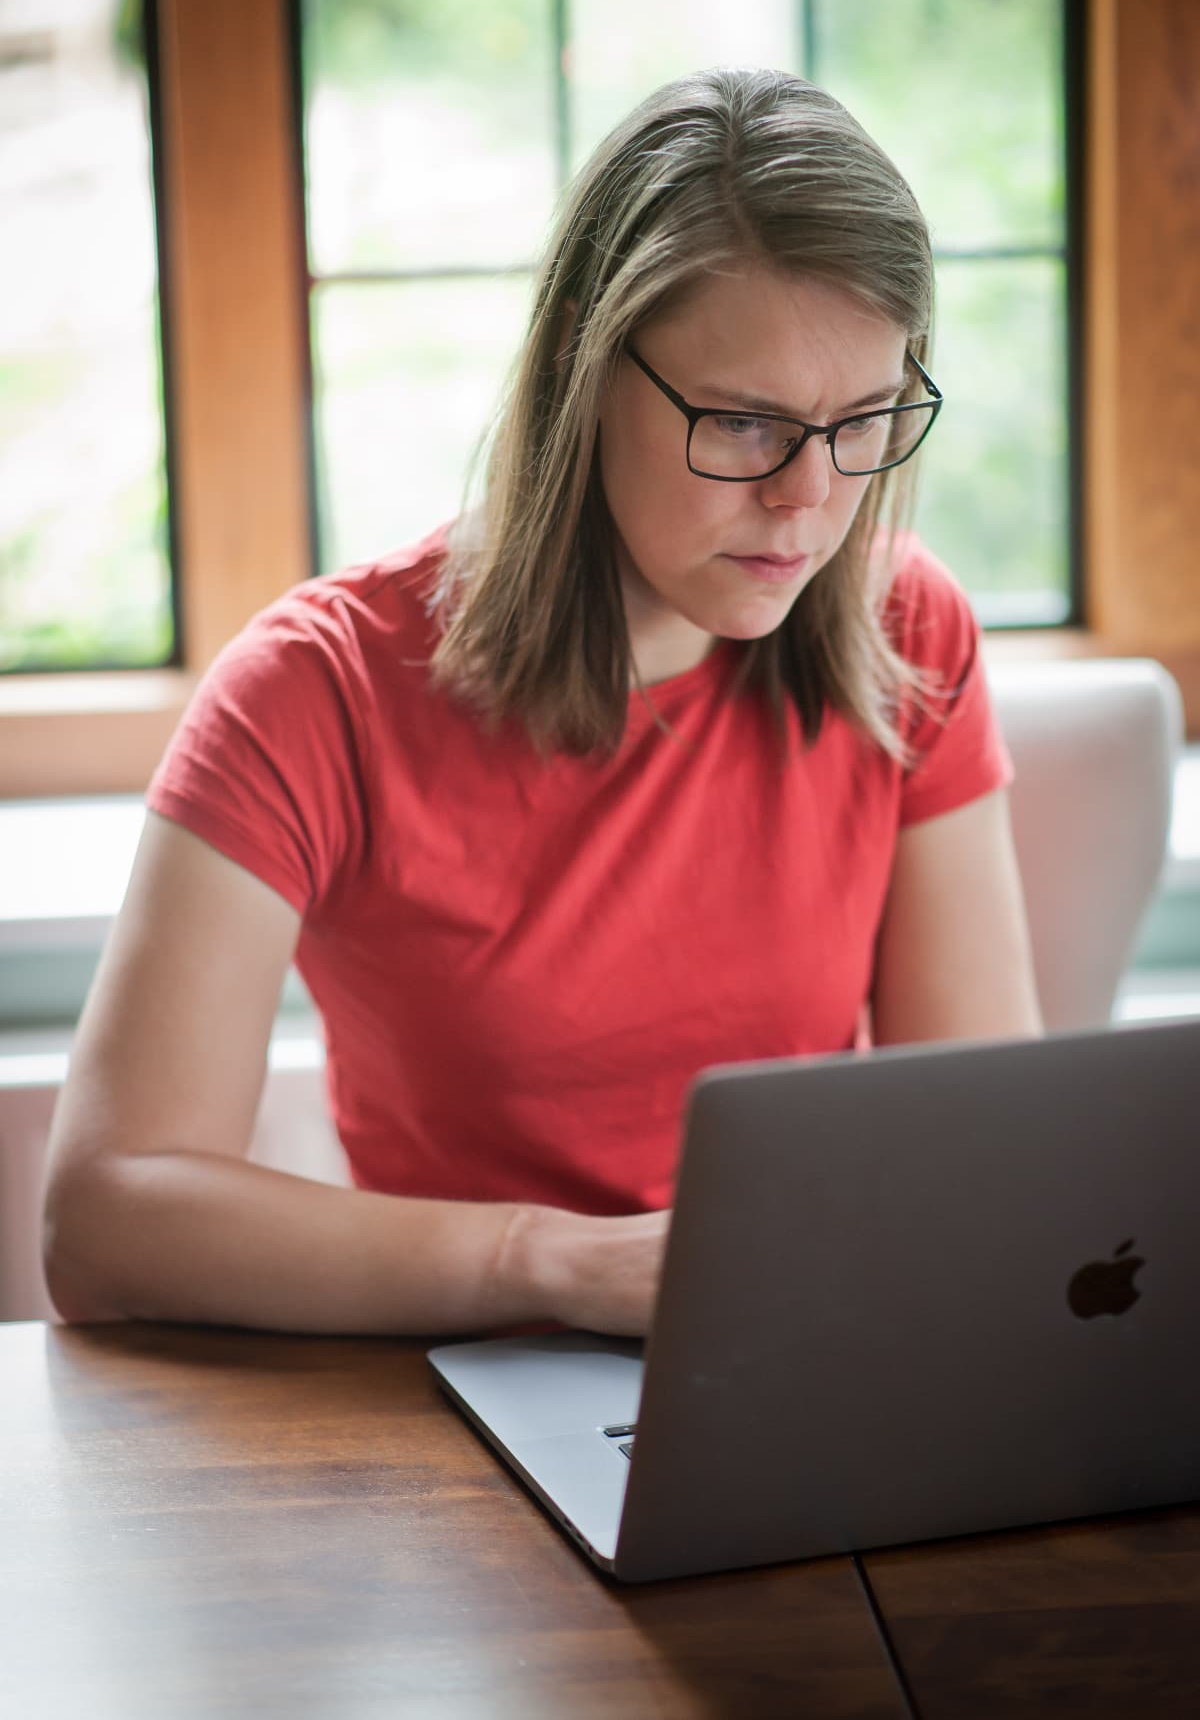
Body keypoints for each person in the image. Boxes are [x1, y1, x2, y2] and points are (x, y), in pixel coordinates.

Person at [42, 68, 1041, 1340]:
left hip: (803, 1349)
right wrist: (556, 1265)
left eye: (865, 421)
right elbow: (104, 1219)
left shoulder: (905, 625)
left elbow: (983, 1131)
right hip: (458, 1394)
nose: (809, 497)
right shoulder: (316, 690)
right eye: (743, 423)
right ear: (583, 354)